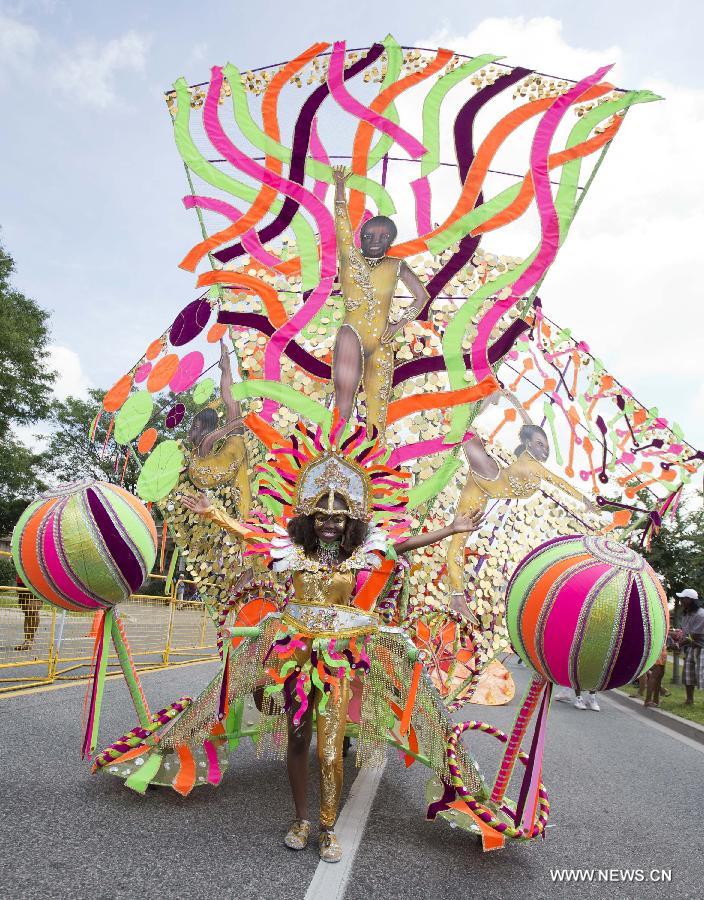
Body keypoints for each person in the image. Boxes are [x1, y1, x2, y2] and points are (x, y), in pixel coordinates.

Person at [181, 449, 484, 863]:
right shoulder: (293, 552)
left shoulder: (362, 554)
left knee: (329, 746)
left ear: (350, 522)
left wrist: (451, 529)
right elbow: (248, 535)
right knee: (299, 739)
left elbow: (404, 542)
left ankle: (327, 828)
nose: (328, 524)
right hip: (296, 657)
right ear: (309, 518)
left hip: (338, 660)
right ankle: (301, 820)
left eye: (337, 518)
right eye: (321, 517)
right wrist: (213, 512)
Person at [447, 389, 596, 618]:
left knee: (459, 538)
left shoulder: (532, 461)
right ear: (527, 443)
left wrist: (512, 400)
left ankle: (456, 597)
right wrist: (506, 396)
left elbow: (528, 426)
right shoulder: (533, 465)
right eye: (539, 444)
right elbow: (560, 483)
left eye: (546, 446)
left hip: (482, 490)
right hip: (489, 474)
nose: (543, 449)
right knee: (465, 426)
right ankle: (483, 395)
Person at [332, 166, 429, 438]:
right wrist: (339, 189)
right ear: (360, 238)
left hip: (382, 342)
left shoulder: (396, 265)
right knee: (344, 399)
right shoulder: (350, 258)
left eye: (383, 237)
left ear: (391, 240)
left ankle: (371, 464)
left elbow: (422, 297)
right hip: (351, 334)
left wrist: (399, 324)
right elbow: (341, 224)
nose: (375, 241)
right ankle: (332, 452)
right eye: (369, 236)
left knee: (378, 409)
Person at [676, 588, 704, 705]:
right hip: (692, 647)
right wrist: (678, 638)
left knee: (701, 674)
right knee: (688, 674)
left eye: (683, 598)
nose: (681, 600)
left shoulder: (701, 615)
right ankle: (689, 700)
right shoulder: (686, 614)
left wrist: (678, 644)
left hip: (702, 648)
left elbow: (695, 636)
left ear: (691, 600)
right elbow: (686, 633)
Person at [14, 573, 42, 652]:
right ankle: (27, 640)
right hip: (21, 580)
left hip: (35, 580)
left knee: (33, 609)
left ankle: (30, 640)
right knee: (27, 612)